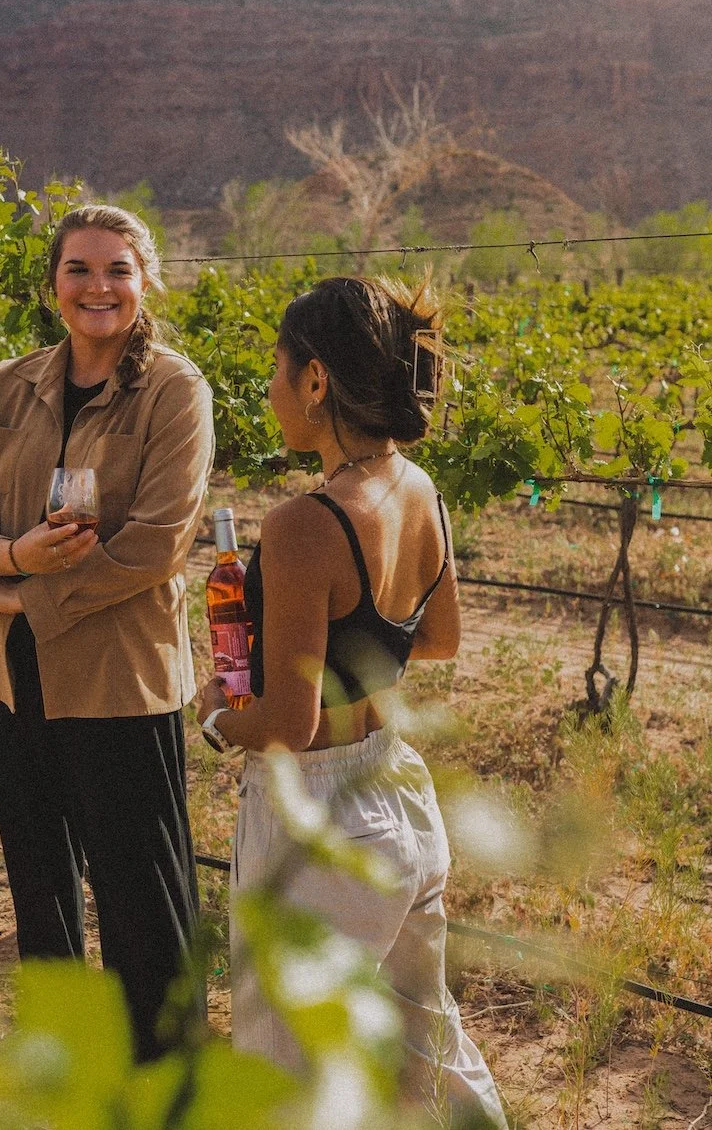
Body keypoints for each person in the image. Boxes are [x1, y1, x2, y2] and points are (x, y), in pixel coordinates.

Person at [196, 276, 507, 1126]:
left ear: (318, 380)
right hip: (400, 794)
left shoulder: (305, 524)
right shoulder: (420, 490)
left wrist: (218, 715)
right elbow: (438, 637)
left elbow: (288, 728)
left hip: (321, 817)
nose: (267, 389)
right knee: (429, 1052)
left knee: (284, 1069)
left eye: (276, 369)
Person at [0, 204, 215, 1061]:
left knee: (142, 899)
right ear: (54, 284)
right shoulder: (9, 386)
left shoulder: (175, 391)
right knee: (43, 897)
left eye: (117, 270)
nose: (98, 287)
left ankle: (168, 1089)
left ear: (145, 282)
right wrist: (16, 552)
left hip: (118, 680)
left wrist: (19, 595)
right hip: (11, 680)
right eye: (79, 269)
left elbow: (159, 544)